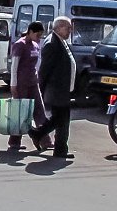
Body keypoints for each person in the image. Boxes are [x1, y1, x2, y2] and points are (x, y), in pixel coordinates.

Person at [28, 16, 76, 159]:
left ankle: (59, 149)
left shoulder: (61, 41)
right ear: (59, 27)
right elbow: (44, 70)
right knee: (60, 119)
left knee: (62, 120)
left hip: (63, 89)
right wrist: (41, 90)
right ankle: (39, 134)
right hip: (56, 90)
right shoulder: (51, 43)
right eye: (68, 27)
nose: (70, 30)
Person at [7, 21, 49, 151]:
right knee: (20, 111)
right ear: (30, 31)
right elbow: (14, 66)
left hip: (33, 81)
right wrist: (13, 84)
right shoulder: (19, 45)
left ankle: (44, 139)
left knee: (39, 109)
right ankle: (14, 141)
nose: (39, 37)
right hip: (21, 83)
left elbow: (38, 63)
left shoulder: (36, 45)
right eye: (37, 34)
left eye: (41, 35)